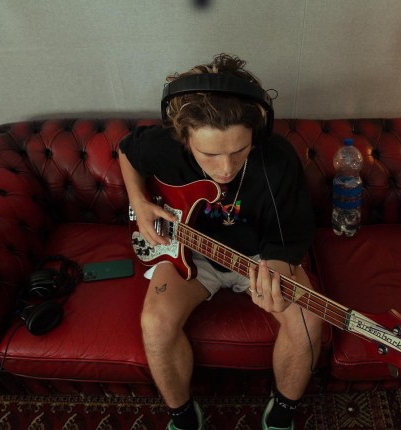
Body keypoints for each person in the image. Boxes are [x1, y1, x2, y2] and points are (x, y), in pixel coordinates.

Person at [118, 53, 322, 430]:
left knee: (309, 320)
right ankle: (183, 416)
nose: (226, 168)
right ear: (183, 139)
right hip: (190, 252)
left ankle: (281, 413)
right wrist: (139, 201)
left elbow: (292, 231)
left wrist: (275, 269)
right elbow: (127, 151)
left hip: (258, 256)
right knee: (155, 323)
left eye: (238, 151)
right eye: (209, 154)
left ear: (255, 134)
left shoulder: (277, 158)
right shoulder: (162, 146)